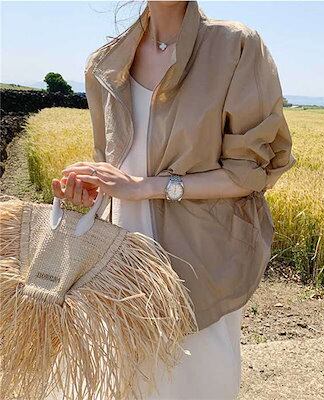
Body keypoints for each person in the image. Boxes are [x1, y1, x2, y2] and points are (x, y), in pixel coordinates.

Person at [52, 1, 296, 398]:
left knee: (195, 383)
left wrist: (147, 186)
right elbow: (113, 163)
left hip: (199, 263)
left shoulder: (234, 47)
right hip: (123, 263)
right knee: (129, 384)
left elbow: (249, 172)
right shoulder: (104, 63)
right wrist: (91, 188)